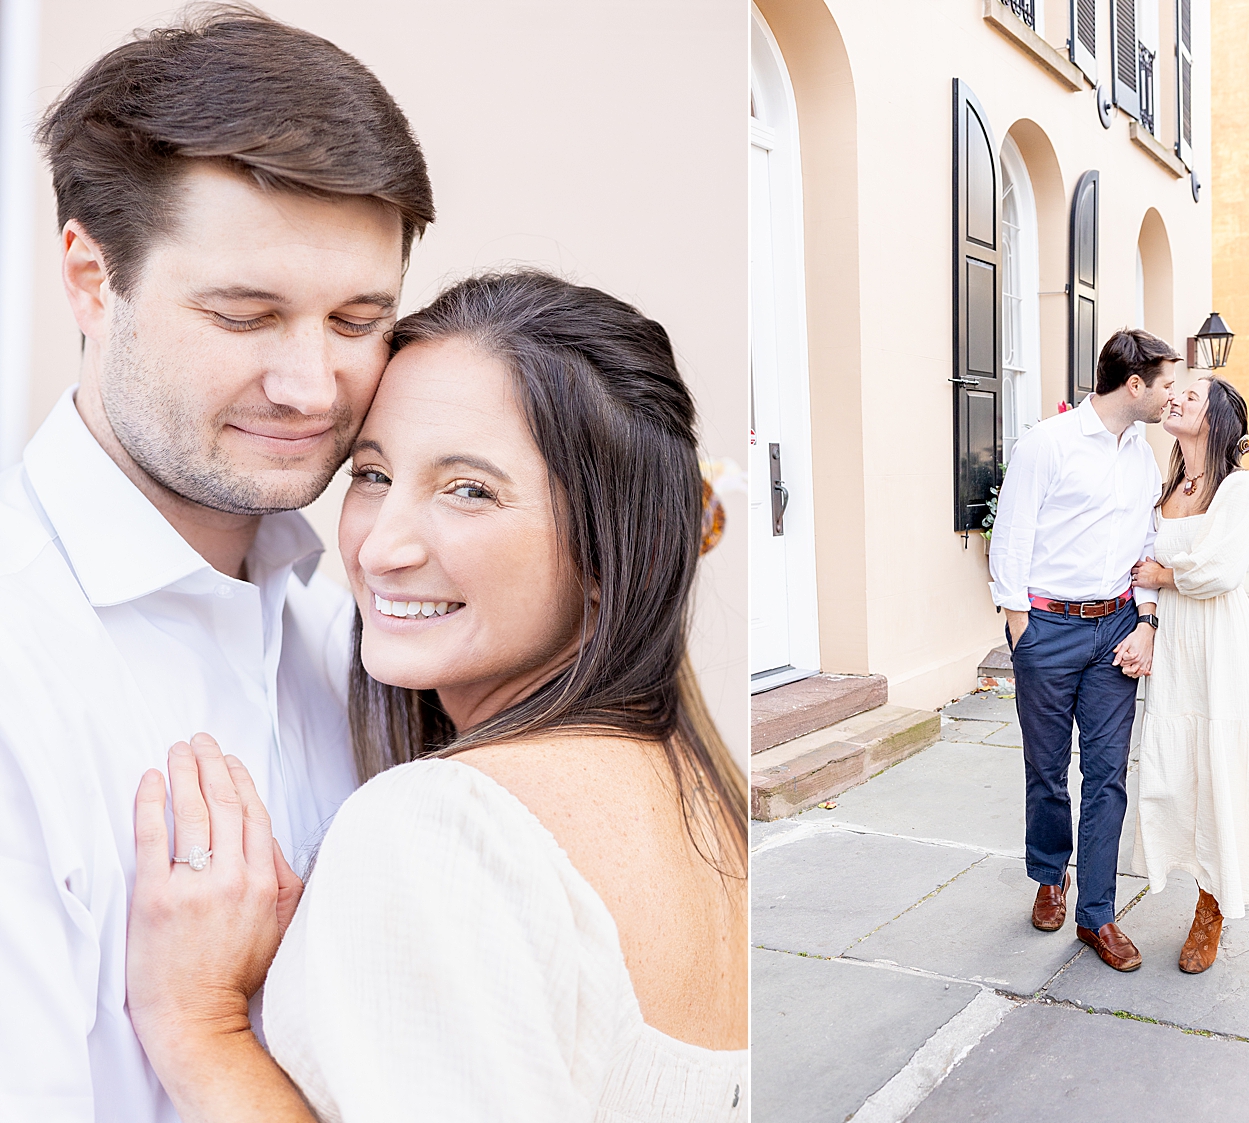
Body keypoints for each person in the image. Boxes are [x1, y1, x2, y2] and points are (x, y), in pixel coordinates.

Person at [123, 271, 750, 1121]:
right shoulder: (699, 785)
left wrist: (199, 1027)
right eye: (373, 474)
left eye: (468, 489)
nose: (380, 547)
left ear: (611, 558)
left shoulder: (442, 830)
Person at [0, 11, 434, 1121]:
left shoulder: (360, 629)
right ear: (92, 279)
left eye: (357, 319)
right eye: (246, 315)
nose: (311, 386)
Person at [988, 328, 1180, 972]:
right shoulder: (1049, 443)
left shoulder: (1142, 456)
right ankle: (1050, 874)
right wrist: (1021, 630)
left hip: (1115, 631)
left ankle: (1097, 915)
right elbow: (1010, 536)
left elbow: (1146, 547)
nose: (1169, 396)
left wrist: (1146, 622)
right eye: (1164, 383)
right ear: (1135, 384)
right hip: (1047, 630)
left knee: (1107, 777)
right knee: (1046, 771)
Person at [1128, 375, 1249, 973]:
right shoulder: (1167, 485)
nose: (1174, 397)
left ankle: (1213, 907)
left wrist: (1163, 577)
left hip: (1220, 644)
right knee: (1178, 770)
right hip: (1173, 642)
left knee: (1221, 768)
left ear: (1216, 418)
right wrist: (1148, 612)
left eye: (1191, 396)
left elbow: (1221, 570)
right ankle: (1190, 870)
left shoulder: (1239, 487)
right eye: (1174, 391)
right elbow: (1138, 561)